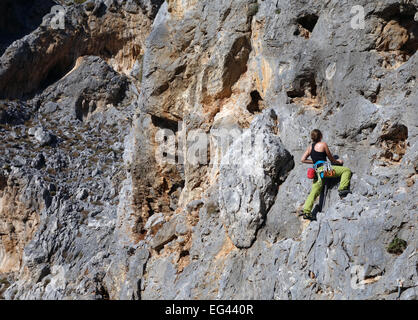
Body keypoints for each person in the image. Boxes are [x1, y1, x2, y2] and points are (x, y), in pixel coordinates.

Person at [300, 129, 352, 219]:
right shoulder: (323, 145)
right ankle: (342, 189)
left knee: (314, 192)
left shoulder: (310, 147)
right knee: (346, 170)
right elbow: (331, 159)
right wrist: (338, 162)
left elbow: (303, 159)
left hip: (317, 171)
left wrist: (315, 161)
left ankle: (306, 211)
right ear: (320, 136)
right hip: (325, 169)